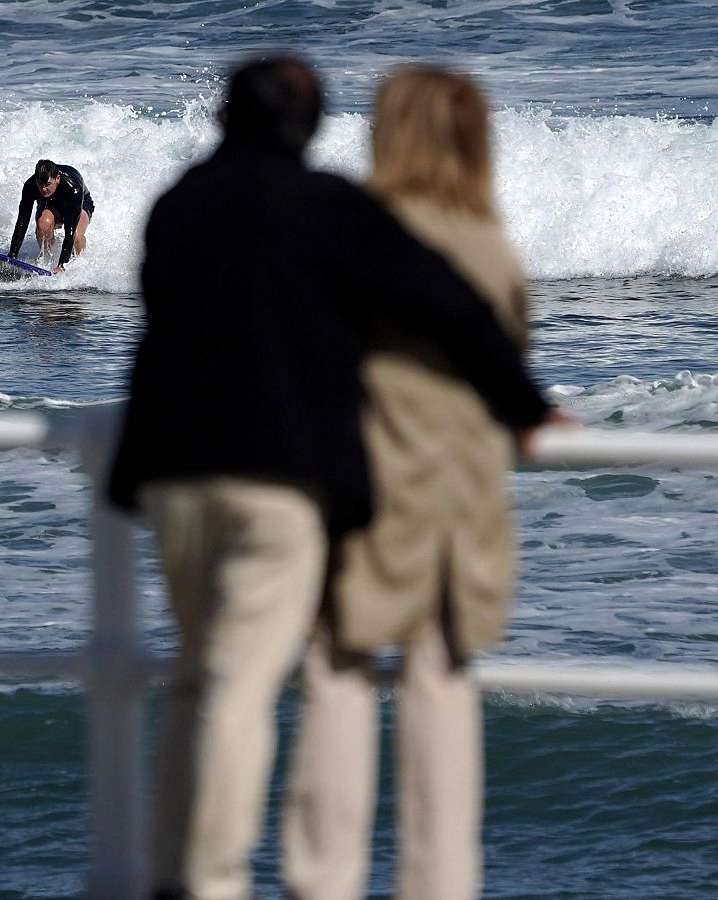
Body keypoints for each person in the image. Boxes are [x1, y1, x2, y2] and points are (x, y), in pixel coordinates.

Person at [106, 56, 553, 900]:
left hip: (172, 475)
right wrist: (527, 403)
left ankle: (186, 873)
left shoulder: (176, 204)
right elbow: (454, 306)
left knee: (202, 677)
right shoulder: (333, 210)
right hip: (294, 484)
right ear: (309, 127)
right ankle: (212, 882)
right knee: (249, 687)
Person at [280, 67, 534, 900]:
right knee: (440, 692)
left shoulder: (351, 234)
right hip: (460, 502)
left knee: (339, 678)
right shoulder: (489, 247)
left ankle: (323, 882)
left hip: (363, 484)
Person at [8, 159, 93, 273]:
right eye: (40, 184)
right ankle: (47, 259)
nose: (43, 189)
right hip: (51, 203)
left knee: (77, 236)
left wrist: (62, 265)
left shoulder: (73, 188)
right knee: (43, 224)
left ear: (57, 179)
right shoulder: (31, 186)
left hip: (80, 203)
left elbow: (70, 231)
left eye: (47, 184)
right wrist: (12, 256)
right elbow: (22, 220)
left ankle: (80, 264)